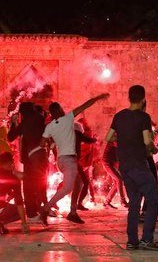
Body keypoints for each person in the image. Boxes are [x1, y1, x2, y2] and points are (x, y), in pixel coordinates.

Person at [105, 85, 158, 251]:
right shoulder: (144, 117)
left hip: (125, 166)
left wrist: (124, 138)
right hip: (139, 164)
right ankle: (146, 240)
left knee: (134, 203)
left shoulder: (119, 116)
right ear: (143, 99)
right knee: (152, 200)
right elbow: (146, 141)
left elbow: (108, 137)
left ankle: (132, 241)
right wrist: (153, 147)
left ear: (129, 98)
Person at [39, 94, 109, 225]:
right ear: (60, 110)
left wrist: (53, 140)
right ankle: (45, 208)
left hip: (62, 160)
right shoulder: (67, 119)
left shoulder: (50, 126)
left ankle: (73, 212)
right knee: (67, 188)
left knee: (80, 183)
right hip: (69, 160)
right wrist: (99, 97)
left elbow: (42, 144)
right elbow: (85, 105)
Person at [8, 102, 47, 218]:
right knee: (40, 183)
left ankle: (31, 212)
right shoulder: (40, 119)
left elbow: (10, 137)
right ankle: (42, 208)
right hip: (41, 156)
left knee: (29, 186)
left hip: (30, 159)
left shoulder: (26, 122)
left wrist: (13, 123)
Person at [0, 152, 30, 235]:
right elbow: (19, 202)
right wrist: (24, 224)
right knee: (18, 209)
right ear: (10, 163)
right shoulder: (13, 179)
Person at [102, 135, 128, 209]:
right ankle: (122, 201)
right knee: (119, 180)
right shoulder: (113, 137)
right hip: (107, 163)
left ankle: (107, 202)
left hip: (112, 163)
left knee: (117, 182)